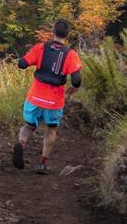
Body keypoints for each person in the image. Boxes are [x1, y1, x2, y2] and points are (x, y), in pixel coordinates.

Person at [12, 19, 82, 174]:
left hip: (35, 97)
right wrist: (74, 87)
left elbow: (22, 64)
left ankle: (22, 145)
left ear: (53, 31)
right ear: (67, 35)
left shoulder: (41, 48)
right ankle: (42, 163)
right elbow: (76, 80)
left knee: (29, 126)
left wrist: (24, 59)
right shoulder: (71, 54)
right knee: (51, 129)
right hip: (54, 101)